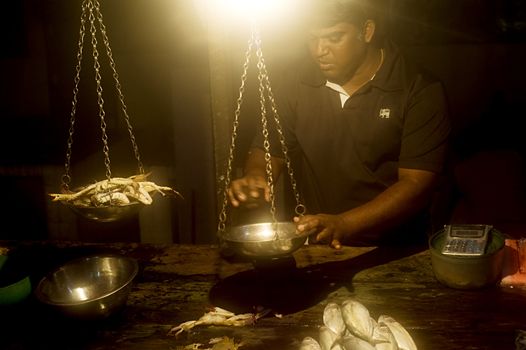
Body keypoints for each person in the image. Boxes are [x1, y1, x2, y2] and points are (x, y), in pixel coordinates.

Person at [227, 0, 451, 248]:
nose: (319, 50)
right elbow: (270, 148)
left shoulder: (417, 89)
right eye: (313, 38)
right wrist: (257, 176)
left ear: (366, 31)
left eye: (334, 38)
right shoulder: (295, 83)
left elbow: (416, 184)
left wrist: (345, 223)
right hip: (315, 240)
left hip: (395, 247)